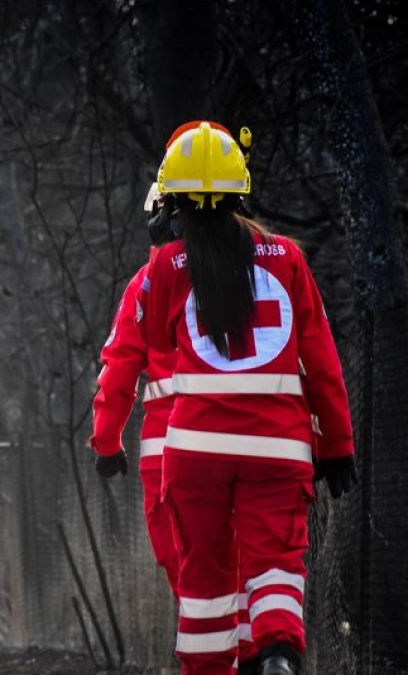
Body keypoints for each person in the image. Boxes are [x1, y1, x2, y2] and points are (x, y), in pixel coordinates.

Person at [139, 122, 355, 675]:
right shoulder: (287, 259)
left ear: (173, 198)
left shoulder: (167, 266)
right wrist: (337, 445)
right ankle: (278, 654)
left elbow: (162, 341)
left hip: (195, 451)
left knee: (205, 578)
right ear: (242, 189)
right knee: (276, 565)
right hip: (279, 448)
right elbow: (322, 364)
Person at [91, 121, 256, 672]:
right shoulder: (263, 271)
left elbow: (118, 371)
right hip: (256, 438)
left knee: (193, 573)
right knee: (248, 567)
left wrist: (106, 442)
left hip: (172, 450)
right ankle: (257, 653)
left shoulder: (148, 281)